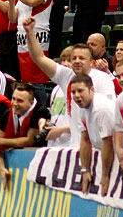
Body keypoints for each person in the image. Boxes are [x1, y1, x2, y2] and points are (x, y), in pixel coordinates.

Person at [25, 18, 115, 151]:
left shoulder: (102, 79)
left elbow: (109, 115)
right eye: (74, 58)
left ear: (91, 62)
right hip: (72, 146)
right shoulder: (66, 75)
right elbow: (39, 58)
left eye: (82, 58)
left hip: (96, 147)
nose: (77, 61)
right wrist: (30, 32)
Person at [6, 0, 52, 104]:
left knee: (36, 81)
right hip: (22, 38)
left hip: (37, 35)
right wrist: (11, 0)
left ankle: (43, 111)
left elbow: (33, 2)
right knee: (27, 81)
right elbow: (12, 18)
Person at [0, 83, 46, 189]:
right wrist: (1, 168)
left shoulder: (40, 112)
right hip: (19, 171)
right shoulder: (8, 114)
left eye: (20, 101)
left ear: (31, 102)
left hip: (40, 168)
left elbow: (29, 141)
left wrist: (1, 141)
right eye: (13, 99)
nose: (14, 103)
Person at [70, 73, 115, 195]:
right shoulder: (81, 108)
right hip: (106, 149)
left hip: (122, 151)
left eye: (80, 91)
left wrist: (105, 175)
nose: (77, 96)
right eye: (73, 92)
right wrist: (85, 170)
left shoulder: (102, 108)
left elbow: (108, 143)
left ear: (92, 89)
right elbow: (85, 139)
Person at [46, 46, 73, 147]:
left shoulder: (80, 89)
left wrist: (62, 130)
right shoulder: (56, 89)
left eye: (69, 60)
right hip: (54, 142)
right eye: (63, 60)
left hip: (70, 143)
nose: (65, 63)